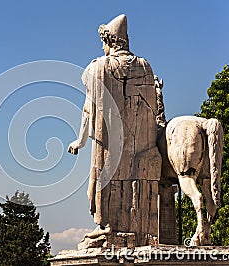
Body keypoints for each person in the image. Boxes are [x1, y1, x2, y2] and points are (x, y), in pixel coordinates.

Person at [68, 14, 161, 246]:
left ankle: (107, 229)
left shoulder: (98, 67)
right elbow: (154, 107)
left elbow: (88, 109)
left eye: (103, 42)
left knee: (101, 186)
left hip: (109, 146)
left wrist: (79, 141)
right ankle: (140, 232)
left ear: (110, 41)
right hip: (141, 147)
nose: (102, 46)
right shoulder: (145, 67)